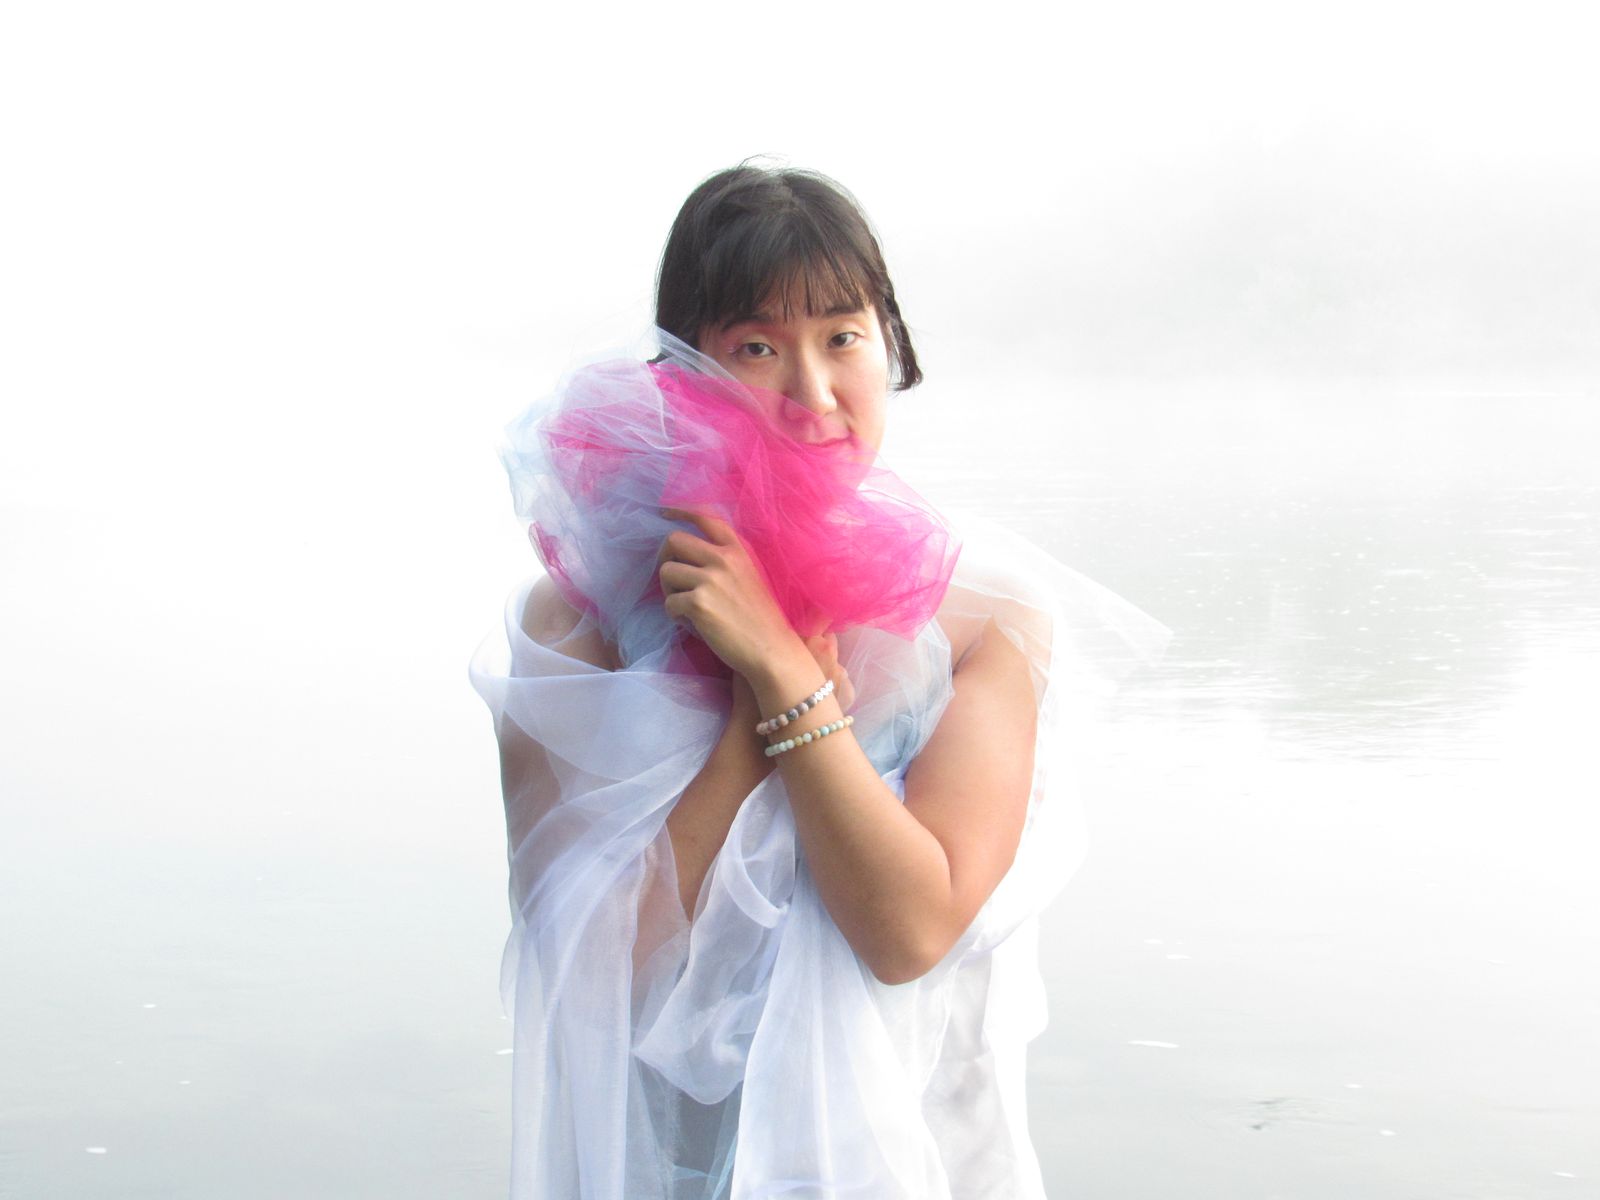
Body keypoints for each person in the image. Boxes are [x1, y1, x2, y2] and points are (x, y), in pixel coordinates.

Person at [468, 164, 1171, 1199]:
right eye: (756, 348)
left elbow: (908, 932)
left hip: (912, 1156)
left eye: (843, 336)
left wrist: (786, 673)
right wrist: (747, 728)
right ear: (683, 369)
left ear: (888, 344)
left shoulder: (983, 617)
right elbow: (597, 969)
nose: (812, 393)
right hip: (682, 1162)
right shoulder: (580, 619)